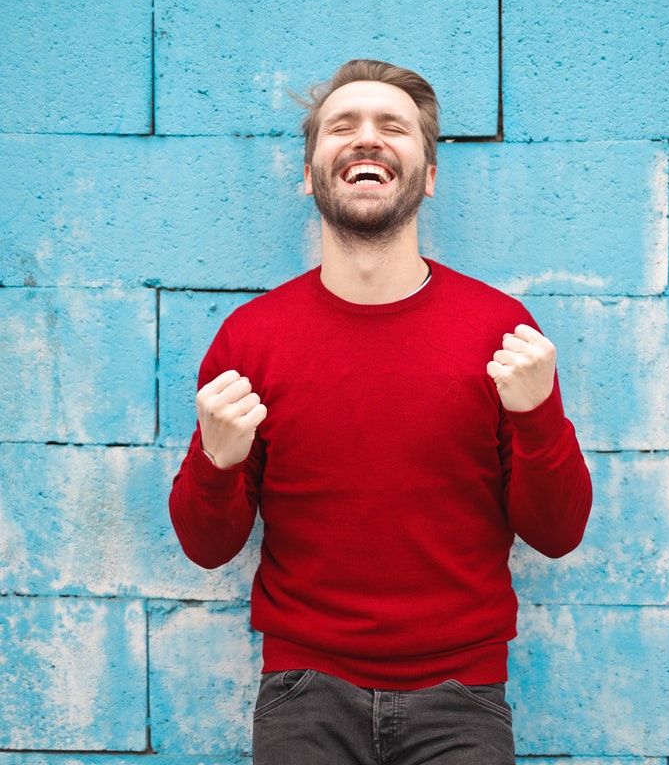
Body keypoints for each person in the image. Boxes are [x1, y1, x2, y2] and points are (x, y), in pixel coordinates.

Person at [169, 59, 592, 765]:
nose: (367, 139)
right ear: (311, 173)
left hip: (464, 696)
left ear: (427, 176)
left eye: (392, 127)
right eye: (343, 126)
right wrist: (218, 461)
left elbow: (557, 533)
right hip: (303, 695)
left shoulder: (502, 331)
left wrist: (540, 417)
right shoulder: (250, 340)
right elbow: (207, 547)